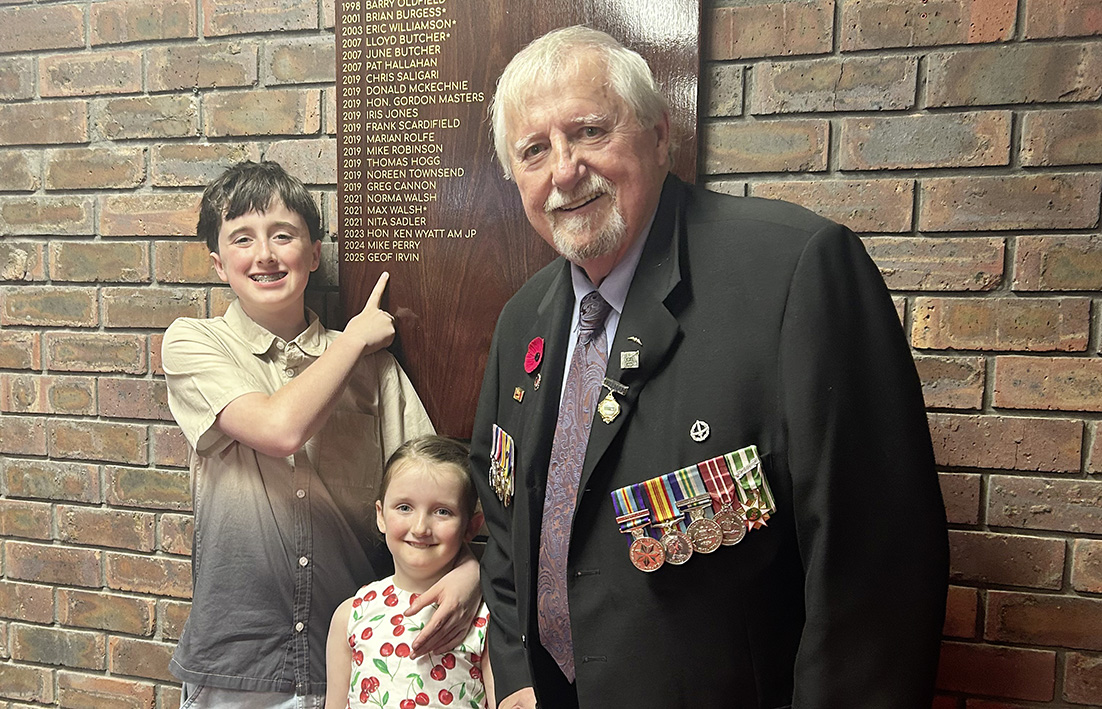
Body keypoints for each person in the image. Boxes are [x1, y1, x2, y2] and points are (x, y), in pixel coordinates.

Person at [469, 26, 949, 709]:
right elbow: (505, 522)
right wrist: (518, 675)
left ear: (660, 136)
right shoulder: (523, 318)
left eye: (590, 131)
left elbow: (876, 579)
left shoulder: (794, 273)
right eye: (534, 150)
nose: (565, 170)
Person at [163, 161, 481, 707]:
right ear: (218, 262)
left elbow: (441, 487)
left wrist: (472, 568)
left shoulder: (375, 369)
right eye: (242, 238)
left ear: (313, 254)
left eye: (283, 236)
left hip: (359, 661)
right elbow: (279, 428)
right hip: (237, 667)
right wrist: (353, 340)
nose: (265, 255)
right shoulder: (194, 342)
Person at [325, 436, 496, 709]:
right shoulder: (350, 615)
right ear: (381, 515)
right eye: (404, 507)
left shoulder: (487, 618)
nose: (420, 528)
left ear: (471, 526)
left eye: (442, 512)